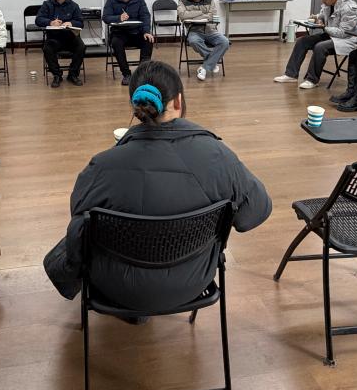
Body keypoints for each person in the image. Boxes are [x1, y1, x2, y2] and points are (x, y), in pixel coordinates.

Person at [43, 60, 272, 309]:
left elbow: (78, 217)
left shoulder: (102, 166)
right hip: (192, 282)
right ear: (178, 101)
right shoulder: (219, 155)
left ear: (136, 106)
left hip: (116, 287)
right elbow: (256, 211)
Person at [274, 0, 357, 89]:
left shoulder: (349, 8)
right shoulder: (329, 2)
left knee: (320, 47)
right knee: (302, 41)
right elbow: (324, 15)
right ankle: (291, 74)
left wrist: (324, 27)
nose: (322, 1)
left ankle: (312, 80)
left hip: (347, 40)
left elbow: (343, 33)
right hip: (331, 35)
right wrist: (317, 17)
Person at [102, 0, 154, 86]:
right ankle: (126, 74)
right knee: (116, 43)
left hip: (136, 32)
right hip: (119, 33)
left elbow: (145, 16)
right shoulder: (111, 0)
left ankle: (141, 73)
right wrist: (118, 18)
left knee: (148, 40)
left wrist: (146, 31)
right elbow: (105, 17)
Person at [35, 0, 85, 88]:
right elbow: (38, 20)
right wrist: (50, 22)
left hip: (70, 37)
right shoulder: (47, 4)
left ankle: (73, 74)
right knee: (47, 48)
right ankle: (57, 75)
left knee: (81, 46)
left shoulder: (74, 6)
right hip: (54, 38)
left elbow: (81, 23)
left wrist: (71, 23)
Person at [177, 0, 229, 81]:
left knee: (225, 42)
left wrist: (192, 16)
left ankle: (205, 67)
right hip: (194, 31)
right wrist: (201, 13)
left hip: (210, 30)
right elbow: (183, 15)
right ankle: (211, 62)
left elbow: (211, 15)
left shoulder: (210, 0)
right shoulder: (182, 1)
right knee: (193, 41)